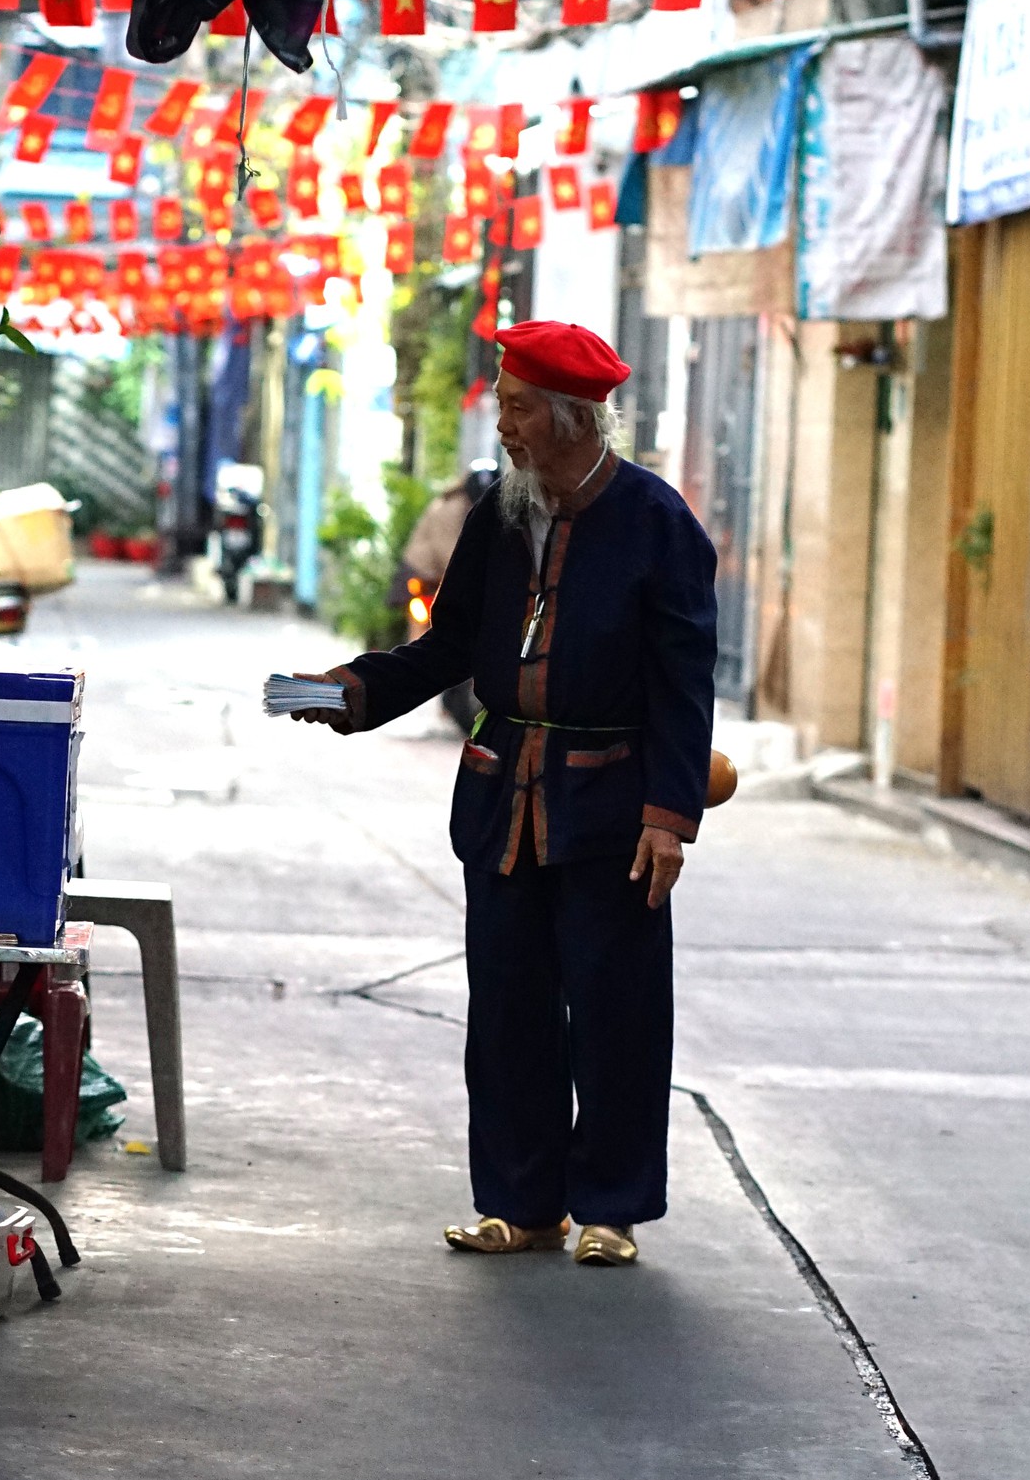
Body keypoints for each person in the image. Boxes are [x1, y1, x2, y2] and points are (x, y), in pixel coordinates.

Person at [290, 320, 717, 1266]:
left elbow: (685, 682)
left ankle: (609, 1210)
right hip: (501, 798)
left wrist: (668, 816)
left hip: (610, 806)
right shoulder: (499, 515)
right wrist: (354, 691)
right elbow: (448, 645)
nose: (504, 425)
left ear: (572, 417)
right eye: (503, 405)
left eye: (519, 409)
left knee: (615, 1012)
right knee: (508, 1008)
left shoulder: (657, 523)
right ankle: (523, 1206)